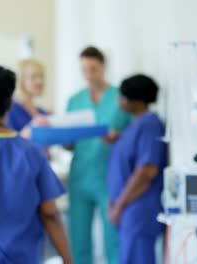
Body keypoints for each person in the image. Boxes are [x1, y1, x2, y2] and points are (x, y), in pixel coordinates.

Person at [0, 65, 73, 264]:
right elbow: (50, 213)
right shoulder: (31, 152)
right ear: (9, 105)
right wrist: (68, 260)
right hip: (24, 257)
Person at [66, 46, 131, 264]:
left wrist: (117, 137)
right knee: (78, 239)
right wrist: (62, 140)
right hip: (80, 176)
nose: (89, 75)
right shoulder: (75, 101)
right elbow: (70, 142)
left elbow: (132, 138)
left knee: (112, 238)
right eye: (84, 70)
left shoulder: (120, 99)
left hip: (109, 177)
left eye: (93, 69)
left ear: (103, 67)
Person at [107, 74, 167, 264]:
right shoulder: (134, 125)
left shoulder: (150, 124)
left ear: (138, 100)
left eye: (123, 96)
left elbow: (146, 171)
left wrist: (120, 205)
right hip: (129, 213)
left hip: (140, 213)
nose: (119, 100)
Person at [7, 59, 49, 139]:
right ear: (21, 80)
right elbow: (8, 145)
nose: (40, 81)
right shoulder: (9, 110)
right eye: (34, 77)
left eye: (41, 76)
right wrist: (31, 129)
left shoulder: (42, 112)